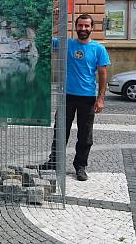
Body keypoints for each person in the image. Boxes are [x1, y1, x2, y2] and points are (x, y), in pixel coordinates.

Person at [41, 14, 110, 181]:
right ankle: (54, 161)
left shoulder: (98, 49)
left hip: (87, 97)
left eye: (86, 26)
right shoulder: (67, 44)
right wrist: (54, 19)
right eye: (80, 26)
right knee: (60, 131)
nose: (83, 29)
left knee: (85, 135)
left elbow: (103, 75)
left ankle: (80, 166)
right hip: (67, 97)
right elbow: (45, 39)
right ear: (76, 27)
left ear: (92, 28)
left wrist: (100, 98)